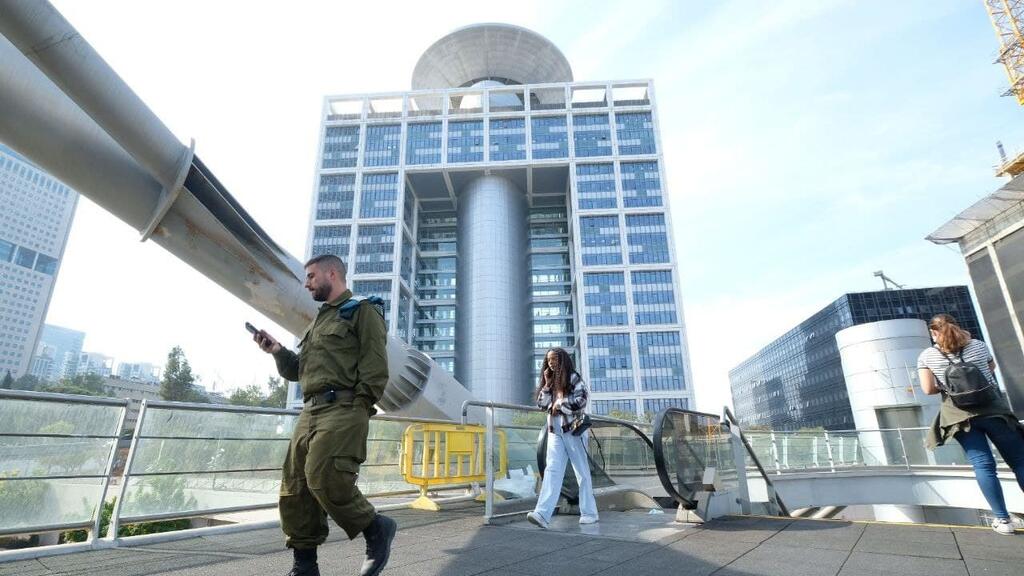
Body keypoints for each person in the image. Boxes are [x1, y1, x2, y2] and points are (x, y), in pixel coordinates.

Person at [253, 254, 396, 575]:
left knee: (324, 476)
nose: (306, 283)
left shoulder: (362, 310)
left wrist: (359, 407)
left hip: (343, 407)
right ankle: (304, 566)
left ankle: (376, 528)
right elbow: (298, 371)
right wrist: (277, 351)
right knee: (295, 486)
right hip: (311, 410)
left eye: (311, 276)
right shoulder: (318, 321)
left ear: (333, 273)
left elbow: (375, 367)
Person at [917, 313, 1024, 535]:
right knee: (1020, 461)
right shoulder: (977, 345)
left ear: (933, 333)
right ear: (957, 326)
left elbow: (928, 389)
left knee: (983, 465)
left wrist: (950, 385)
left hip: (959, 416)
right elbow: (990, 369)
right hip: (994, 410)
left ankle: (1003, 521)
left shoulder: (928, 355)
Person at [526, 347, 599, 529]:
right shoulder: (549, 382)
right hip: (554, 430)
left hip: (573, 430)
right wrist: (547, 385)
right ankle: (542, 514)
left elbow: (582, 399)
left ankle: (590, 513)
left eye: (554, 359)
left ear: (562, 360)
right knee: (552, 470)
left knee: (581, 472)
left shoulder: (573, 377)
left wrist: (561, 405)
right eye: (548, 360)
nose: (551, 362)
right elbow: (542, 404)